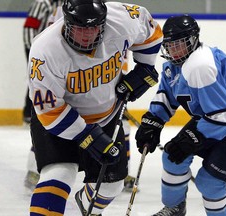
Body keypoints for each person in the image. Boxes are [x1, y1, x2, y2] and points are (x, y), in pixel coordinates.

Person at [27, 0, 163, 215]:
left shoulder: (121, 19)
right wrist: (88, 135)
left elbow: (151, 31)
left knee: (111, 186)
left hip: (107, 116)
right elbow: (50, 111)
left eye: (94, 27)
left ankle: (85, 202)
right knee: (60, 173)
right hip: (60, 120)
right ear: (67, 23)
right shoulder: (45, 50)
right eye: (81, 28)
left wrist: (145, 66)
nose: (87, 34)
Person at [135, 14, 226, 216]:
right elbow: (167, 96)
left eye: (180, 44)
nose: (174, 51)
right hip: (216, 116)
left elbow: (225, 117)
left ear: (193, 40)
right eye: (170, 45)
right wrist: (153, 122)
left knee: (209, 181)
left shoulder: (201, 65)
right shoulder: (173, 67)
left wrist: (193, 138)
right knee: (173, 156)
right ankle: (174, 208)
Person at [23, 0, 64, 191]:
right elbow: (29, 30)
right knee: (46, 120)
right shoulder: (45, 3)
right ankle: (33, 169)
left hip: (69, 71)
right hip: (48, 67)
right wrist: (37, 58)